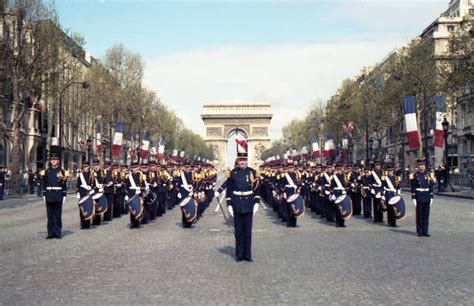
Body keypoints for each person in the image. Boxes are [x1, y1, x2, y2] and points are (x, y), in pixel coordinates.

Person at [224, 149, 260, 262]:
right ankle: (239, 254)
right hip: (236, 204)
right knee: (238, 231)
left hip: (248, 203)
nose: (242, 162)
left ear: (247, 161)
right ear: (237, 161)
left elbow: (257, 189)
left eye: (244, 160)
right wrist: (229, 204)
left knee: (248, 232)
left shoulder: (253, 172)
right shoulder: (232, 173)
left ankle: (247, 255)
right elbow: (229, 190)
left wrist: (257, 203)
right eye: (240, 160)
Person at [40, 146, 68, 239]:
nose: (54, 161)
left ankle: (58, 233)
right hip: (49, 194)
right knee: (50, 216)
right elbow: (44, 183)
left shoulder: (62, 172)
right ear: (50, 161)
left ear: (58, 161)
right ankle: (50, 233)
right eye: (52, 160)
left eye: (55, 160)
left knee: (57, 215)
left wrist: (64, 194)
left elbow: (64, 184)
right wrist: (44, 194)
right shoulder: (46, 171)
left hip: (58, 194)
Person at [410, 159, 434, 237]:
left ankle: (425, 231)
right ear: (418, 166)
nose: (422, 167)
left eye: (423, 165)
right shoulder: (414, 175)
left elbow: (431, 186)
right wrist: (413, 197)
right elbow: (413, 186)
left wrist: (431, 196)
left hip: (426, 195)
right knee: (419, 215)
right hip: (419, 196)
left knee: (426, 215)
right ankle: (419, 231)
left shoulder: (429, 174)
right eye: (420, 165)